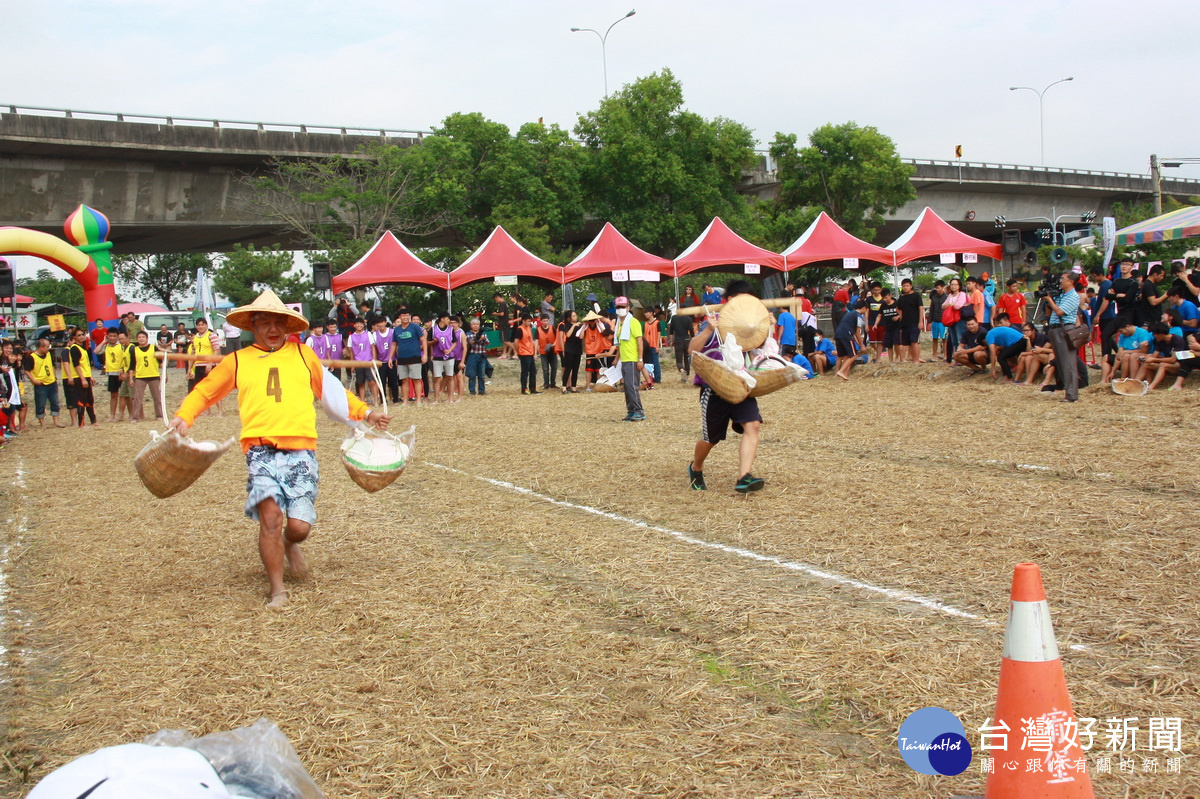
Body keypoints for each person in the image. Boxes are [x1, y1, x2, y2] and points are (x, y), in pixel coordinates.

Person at [167, 290, 391, 609]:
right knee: (270, 518)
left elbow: (335, 392)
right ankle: (277, 589)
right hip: (260, 451)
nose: (273, 329)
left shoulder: (303, 356)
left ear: (288, 326)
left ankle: (290, 544)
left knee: (299, 527)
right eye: (265, 322)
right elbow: (204, 392)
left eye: (279, 323)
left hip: (301, 451)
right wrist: (183, 417)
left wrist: (368, 413)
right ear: (253, 325)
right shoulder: (237, 360)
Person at [687, 280, 765, 493]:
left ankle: (744, 477)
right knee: (711, 438)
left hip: (741, 385)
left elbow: (761, 352)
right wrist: (708, 330)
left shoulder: (751, 325)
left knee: (753, 425)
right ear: (730, 301)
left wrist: (769, 326)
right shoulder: (713, 321)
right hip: (714, 387)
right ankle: (696, 467)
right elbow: (692, 350)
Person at [1044, 271, 1083, 402]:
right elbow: (1051, 311)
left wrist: (1050, 300)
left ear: (1071, 281)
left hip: (1065, 329)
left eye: (1063, 278)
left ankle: (1072, 395)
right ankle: (1065, 390)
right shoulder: (1061, 294)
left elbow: (1060, 311)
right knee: (1060, 362)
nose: (1060, 281)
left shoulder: (1073, 296)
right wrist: (1049, 300)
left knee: (1068, 362)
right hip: (1055, 329)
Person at [613, 296, 644, 422]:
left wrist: (640, 359)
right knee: (627, 387)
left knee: (631, 386)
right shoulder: (619, 324)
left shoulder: (633, 322)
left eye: (623, 307)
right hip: (625, 360)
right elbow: (620, 344)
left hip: (632, 359)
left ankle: (638, 411)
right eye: (618, 307)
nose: (620, 309)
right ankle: (631, 411)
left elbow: (639, 340)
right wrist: (616, 358)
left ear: (628, 308)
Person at [188, 318, 222, 416]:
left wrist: (210, 363)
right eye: (198, 325)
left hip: (210, 365)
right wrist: (190, 368)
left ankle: (220, 410)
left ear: (206, 325)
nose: (200, 327)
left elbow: (216, 350)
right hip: (198, 365)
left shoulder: (211, 335)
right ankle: (207, 410)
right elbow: (193, 353)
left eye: (202, 325)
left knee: (214, 388)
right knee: (201, 389)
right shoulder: (195, 338)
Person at [27, 338, 65, 427]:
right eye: (47, 347)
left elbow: (51, 366)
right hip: (41, 384)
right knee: (40, 403)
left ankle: (56, 421)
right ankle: (42, 422)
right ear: (40, 347)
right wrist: (34, 380)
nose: (49, 348)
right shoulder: (32, 357)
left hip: (51, 382)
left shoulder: (48, 354)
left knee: (55, 402)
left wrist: (54, 377)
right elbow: (27, 370)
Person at [129, 330, 166, 421]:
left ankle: (159, 415)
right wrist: (131, 378)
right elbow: (132, 365)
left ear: (147, 338)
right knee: (137, 398)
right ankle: (135, 417)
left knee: (157, 397)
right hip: (140, 377)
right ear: (137, 339)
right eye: (139, 337)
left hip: (154, 376)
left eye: (143, 337)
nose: (141, 339)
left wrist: (165, 374)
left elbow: (161, 362)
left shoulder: (153, 348)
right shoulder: (135, 350)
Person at [66, 328, 97, 426]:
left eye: (82, 334)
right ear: (74, 337)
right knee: (81, 400)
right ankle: (81, 422)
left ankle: (93, 420)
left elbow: (85, 365)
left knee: (89, 399)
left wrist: (90, 377)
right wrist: (83, 379)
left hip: (86, 376)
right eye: (79, 335)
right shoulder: (74, 348)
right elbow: (76, 365)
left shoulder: (83, 348)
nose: (81, 337)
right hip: (79, 377)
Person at [345, 317, 378, 403]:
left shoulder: (368, 334)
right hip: (358, 363)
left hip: (368, 361)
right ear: (354, 325)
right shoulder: (351, 337)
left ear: (363, 325)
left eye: (361, 324)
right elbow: (351, 352)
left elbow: (372, 347)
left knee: (372, 381)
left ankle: (375, 401)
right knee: (361, 382)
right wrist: (352, 365)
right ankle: (362, 401)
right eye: (357, 324)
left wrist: (374, 360)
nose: (359, 325)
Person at [984, 313, 1026, 379]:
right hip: (1020, 341)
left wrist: (993, 369)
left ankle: (1008, 378)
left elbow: (992, 352)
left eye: (1001, 322)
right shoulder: (995, 332)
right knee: (1002, 355)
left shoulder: (989, 335)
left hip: (1020, 341)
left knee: (1001, 357)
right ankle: (1006, 375)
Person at [100, 327, 128, 422]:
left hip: (120, 372)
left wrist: (123, 369)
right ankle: (112, 415)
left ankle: (121, 415)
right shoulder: (106, 346)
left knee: (123, 395)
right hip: (111, 373)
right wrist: (104, 342)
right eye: (110, 336)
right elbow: (96, 351)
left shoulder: (121, 346)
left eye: (114, 336)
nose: (112, 338)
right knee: (113, 395)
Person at [581, 310, 612, 391]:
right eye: (590, 321)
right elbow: (580, 337)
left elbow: (604, 332)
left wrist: (599, 323)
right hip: (590, 351)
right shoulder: (586, 328)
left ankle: (598, 386)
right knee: (589, 370)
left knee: (599, 370)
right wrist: (584, 326)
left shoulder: (599, 327)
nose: (591, 322)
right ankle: (588, 386)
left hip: (599, 350)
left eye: (593, 320)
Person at [896, 278, 925, 363]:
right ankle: (910, 358)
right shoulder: (902, 298)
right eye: (903, 286)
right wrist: (900, 315)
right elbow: (897, 307)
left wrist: (921, 321)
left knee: (914, 341)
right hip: (905, 323)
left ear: (911, 286)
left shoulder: (916, 296)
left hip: (915, 322)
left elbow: (921, 308)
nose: (905, 287)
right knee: (907, 342)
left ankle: (916, 360)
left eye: (907, 286)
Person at [465, 317, 490, 396]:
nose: (476, 326)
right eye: (474, 324)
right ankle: (472, 391)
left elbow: (487, 343)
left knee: (481, 375)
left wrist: (483, 339)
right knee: (472, 374)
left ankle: (482, 390)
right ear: (471, 325)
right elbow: (469, 343)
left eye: (477, 324)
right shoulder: (468, 334)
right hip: (472, 355)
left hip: (482, 355)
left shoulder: (483, 333)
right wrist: (474, 340)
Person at [670, 309, 694, 382]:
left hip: (678, 341)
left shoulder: (674, 318)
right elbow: (691, 330)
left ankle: (681, 369)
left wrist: (671, 341)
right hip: (687, 340)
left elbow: (671, 330)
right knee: (687, 360)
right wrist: (693, 340)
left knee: (679, 360)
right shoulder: (688, 319)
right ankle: (685, 378)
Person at [538, 314, 558, 390]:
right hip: (543, 352)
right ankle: (546, 384)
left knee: (554, 368)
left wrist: (554, 344)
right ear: (541, 321)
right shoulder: (538, 330)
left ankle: (553, 383)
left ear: (549, 321)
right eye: (544, 321)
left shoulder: (552, 328)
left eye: (547, 320)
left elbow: (557, 337)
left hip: (553, 351)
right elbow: (536, 341)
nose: (545, 322)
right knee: (545, 369)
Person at [928, 280, 947, 361]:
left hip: (943, 321)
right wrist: (929, 321)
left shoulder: (946, 297)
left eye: (938, 288)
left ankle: (946, 355)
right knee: (934, 339)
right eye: (936, 288)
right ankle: (934, 355)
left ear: (942, 287)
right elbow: (931, 309)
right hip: (935, 320)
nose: (937, 289)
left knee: (944, 339)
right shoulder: (934, 297)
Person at [776, 293, 797, 357]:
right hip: (792, 342)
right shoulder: (792, 317)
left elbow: (781, 327)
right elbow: (795, 329)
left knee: (783, 358)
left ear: (781, 307)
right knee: (790, 357)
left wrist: (779, 339)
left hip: (785, 341)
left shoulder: (781, 316)